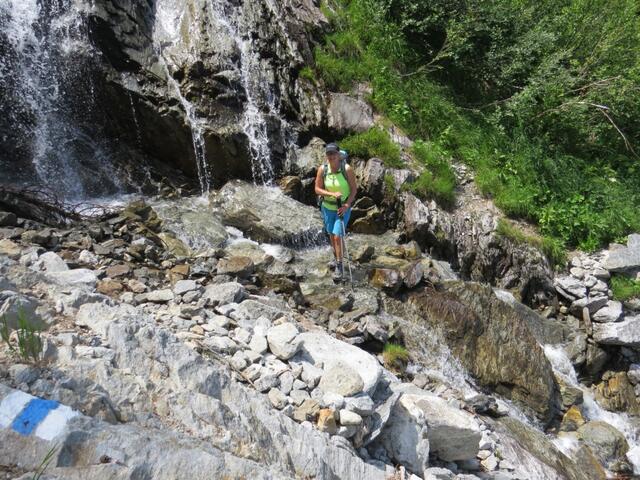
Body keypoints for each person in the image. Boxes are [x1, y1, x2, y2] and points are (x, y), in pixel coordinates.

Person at [314, 142, 357, 281]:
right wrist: (331, 194)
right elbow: (317, 189)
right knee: (332, 235)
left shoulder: (347, 169)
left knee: (338, 236)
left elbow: (354, 189)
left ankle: (339, 265)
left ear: (338, 154)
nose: (331, 156)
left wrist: (347, 205)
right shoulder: (323, 169)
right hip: (327, 207)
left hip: (342, 208)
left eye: (333, 153)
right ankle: (337, 257)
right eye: (329, 154)